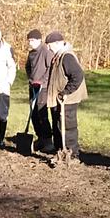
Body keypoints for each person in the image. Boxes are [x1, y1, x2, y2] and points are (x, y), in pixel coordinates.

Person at [43, 30, 86, 165]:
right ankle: (60, 152)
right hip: (58, 99)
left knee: (68, 127)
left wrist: (66, 92)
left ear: (57, 43)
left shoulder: (67, 57)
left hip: (68, 99)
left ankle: (73, 155)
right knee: (58, 126)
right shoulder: (58, 56)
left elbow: (77, 75)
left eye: (49, 45)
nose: (48, 48)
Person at [25, 29, 53, 153]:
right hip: (33, 86)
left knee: (42, 114)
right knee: (34, 115)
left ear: (39, 40)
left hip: (44, 87)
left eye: (32, 40)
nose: (30, 43)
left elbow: (50, 68)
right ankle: (40, 137)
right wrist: (31, 79)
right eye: (29, 40)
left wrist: (42, 80)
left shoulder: (46, 52)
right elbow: (27, 67)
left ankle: (48, 141)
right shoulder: (31, 54)